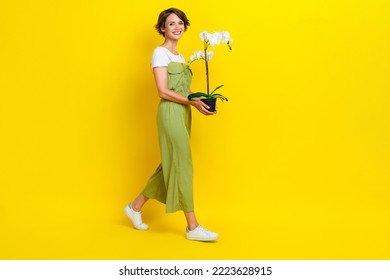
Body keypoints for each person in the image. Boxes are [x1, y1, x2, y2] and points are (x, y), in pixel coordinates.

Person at [124, 8, 219, 242]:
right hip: (169, 113)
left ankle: (134, 207)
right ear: (162, 28)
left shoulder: (179, 56)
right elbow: (163, 91)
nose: (177, 27)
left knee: (170, 163)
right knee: (182, 163)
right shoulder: (160, 53)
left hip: (184, 112)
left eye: (180, 23)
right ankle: (192, 226)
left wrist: (200, 102)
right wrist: (191, 102)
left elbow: (183, 90)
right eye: (171, 24)